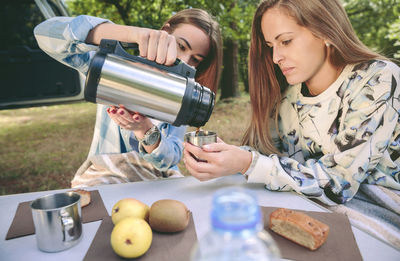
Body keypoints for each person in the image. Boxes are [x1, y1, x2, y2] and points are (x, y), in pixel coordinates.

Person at [184, 0, 400, 205]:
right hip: (310, 208)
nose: (276, 57)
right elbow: (269, 160)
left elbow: (338, 184)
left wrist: (247, 163)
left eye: (286, 41)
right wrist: (224, 156)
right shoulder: (288, 96)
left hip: (382, 210)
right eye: (270, 46)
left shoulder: (377, 80)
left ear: (325, 31)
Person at [34, 9, 222, 187]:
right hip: (106, 179)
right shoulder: (113, 67)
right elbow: (45, 33)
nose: (185, 61)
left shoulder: (182, 99)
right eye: (181, 46)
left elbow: (171, 158)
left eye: (196, 59)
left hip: (156, 186)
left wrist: (145, 130)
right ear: (164, 32)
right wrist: (133, 35)